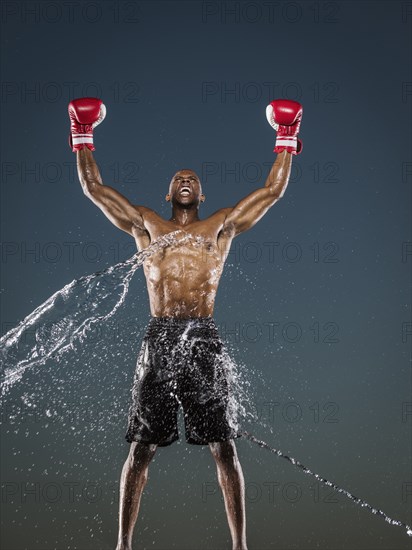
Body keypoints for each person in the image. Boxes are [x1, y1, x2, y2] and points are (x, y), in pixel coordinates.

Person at [68, 97, 303, 550]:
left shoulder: (220, 227)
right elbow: (95, 189)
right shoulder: (147, 225)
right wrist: (82, 134)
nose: (186, 180)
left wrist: (286, 139)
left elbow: (270, 193)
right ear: (168, 192)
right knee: (140, 448)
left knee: (226, 447)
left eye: (193, 179)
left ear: (202, 194)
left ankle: (240, 545)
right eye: (178, 178)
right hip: (159, 337)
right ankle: (123, 545)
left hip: (203, 338)